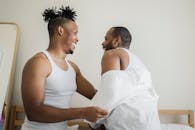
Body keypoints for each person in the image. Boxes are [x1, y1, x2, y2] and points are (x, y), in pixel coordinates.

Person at [21, 6, 108, 130]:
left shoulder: (73, 68)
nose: (78, 39)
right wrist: (82, 112)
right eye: (75, 33)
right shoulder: (38, 63)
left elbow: (95, 95)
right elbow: (34, 112)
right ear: (60, 30)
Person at [90, 27, 161, 130]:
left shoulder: (112, 54)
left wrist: (93, 123)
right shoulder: (137, 62)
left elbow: (109, 92)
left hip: (127, 124)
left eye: (106, 39)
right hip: (151, 122)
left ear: (116, 41)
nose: (102, 43)